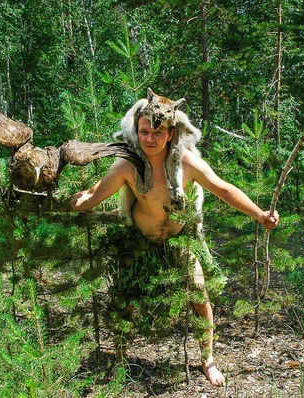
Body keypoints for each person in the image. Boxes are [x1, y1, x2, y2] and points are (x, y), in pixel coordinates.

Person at [63, 113, 279, 386]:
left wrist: (260, 214)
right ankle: (119, 358)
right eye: (144, 132)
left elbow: (223, 188)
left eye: (157, 133)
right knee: (126, 301)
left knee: (199, 296)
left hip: (179, 242)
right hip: (139, 242)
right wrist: (53, 205)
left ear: (170, 134)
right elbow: (92, 196)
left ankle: (208, 360)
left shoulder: (185, 162)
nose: (150, 139)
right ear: (136, 133)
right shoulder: (127, 166)